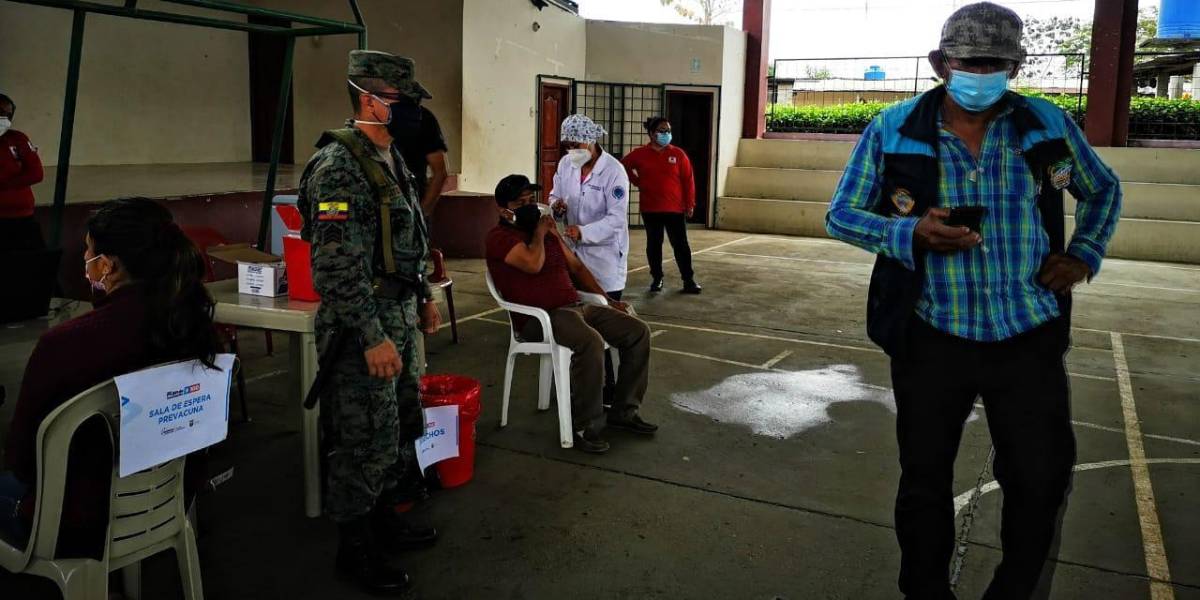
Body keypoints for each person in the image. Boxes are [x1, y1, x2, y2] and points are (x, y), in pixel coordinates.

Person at [825, 4, 1122, 599]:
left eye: (999, 64)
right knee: (924, 482)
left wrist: (1083, 253)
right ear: (941, 64)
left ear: (1015, 66)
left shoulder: (1046, 124)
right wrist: (910, 233)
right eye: (971, 62)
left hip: (1027, 333)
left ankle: (1013, 591)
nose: (984, 74)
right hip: (932, 335)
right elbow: (842, 215)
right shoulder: (893, 128)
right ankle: (927, 592)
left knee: (1039, 479)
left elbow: (1102, 190)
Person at [0, 198, 223, 557]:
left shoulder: (63, 345)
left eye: (88, 254)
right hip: (165, 505)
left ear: (107, 266)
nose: (86, 264)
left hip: (70, 525)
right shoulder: (192, 325)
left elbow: (23, 461)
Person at [297, 50, 442, 596]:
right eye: (402, 102)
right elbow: (335, 265)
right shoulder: (338, 167)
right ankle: (353, 549)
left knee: (400, 424)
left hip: (399, 311)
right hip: (365, 325)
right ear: (369, 100)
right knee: (362, 437)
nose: (412, 114)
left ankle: (383, 520)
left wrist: (423, 298)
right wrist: (372, 335)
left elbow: (409, 240)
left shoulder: (389, 156)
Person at [487, 174, 657, 454]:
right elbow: (532, 264)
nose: (531, 207)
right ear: (504, 209)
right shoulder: (499, 238)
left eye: (532, 201)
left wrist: (605, 299)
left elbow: (576, 268)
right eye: (521, 203)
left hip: (575, 306)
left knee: (637, 332)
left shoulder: (548, 234)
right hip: (540, 317)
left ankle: (624, 410)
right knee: (589, 342)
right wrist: (541, 234)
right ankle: (583, 425)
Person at [549, 114, 630, 300]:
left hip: (603, 255)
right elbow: (555, 194)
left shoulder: (613, 171)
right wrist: (556, 206)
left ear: (590, 140)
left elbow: (616, 218)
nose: (571, 151)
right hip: (573, 252)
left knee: (605, 307)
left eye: (575, 145)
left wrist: (584, 232)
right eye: (567, 146)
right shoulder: (565, 164)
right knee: (578, 308)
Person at [621, 116, 702, 294]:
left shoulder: (678, 154)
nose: (666, 134)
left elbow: (688, 181)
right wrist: (637, 181)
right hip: (651, 208)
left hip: (675, 209)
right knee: (654, 244)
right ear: (651, 134)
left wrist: (690, 204)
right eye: (662, 131)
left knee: (680, 245)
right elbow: (622, 166)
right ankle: (656, 278)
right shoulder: (640, 154)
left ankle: (688, 280)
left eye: (668, 131)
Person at [0, 93, 46, 253]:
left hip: (22, 218)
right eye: (0, 112)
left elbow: (36, 173)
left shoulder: (17, 139)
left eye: (8, 115)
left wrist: (4, 183)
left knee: (29, 266)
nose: (3, 118)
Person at [394, 104, 449, 221]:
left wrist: (421, 214)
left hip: (411, 204)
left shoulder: (422, 117)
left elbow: (440, 172)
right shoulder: (371, 117)